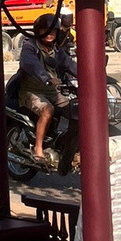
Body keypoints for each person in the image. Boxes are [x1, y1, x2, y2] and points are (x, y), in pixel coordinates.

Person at [16, 12, 77, 162]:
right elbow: (30, 64)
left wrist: (91, 76)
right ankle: (38, 148)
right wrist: (46, 78)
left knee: (76, 110)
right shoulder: (30, 46)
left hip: (53, 92)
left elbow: (70, 65)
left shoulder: (57, 51)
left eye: (53, 31)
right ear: (38, 32)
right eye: (45, 31)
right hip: (31, 91)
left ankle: (68, 145)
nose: (50, 34)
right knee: (47, 110)